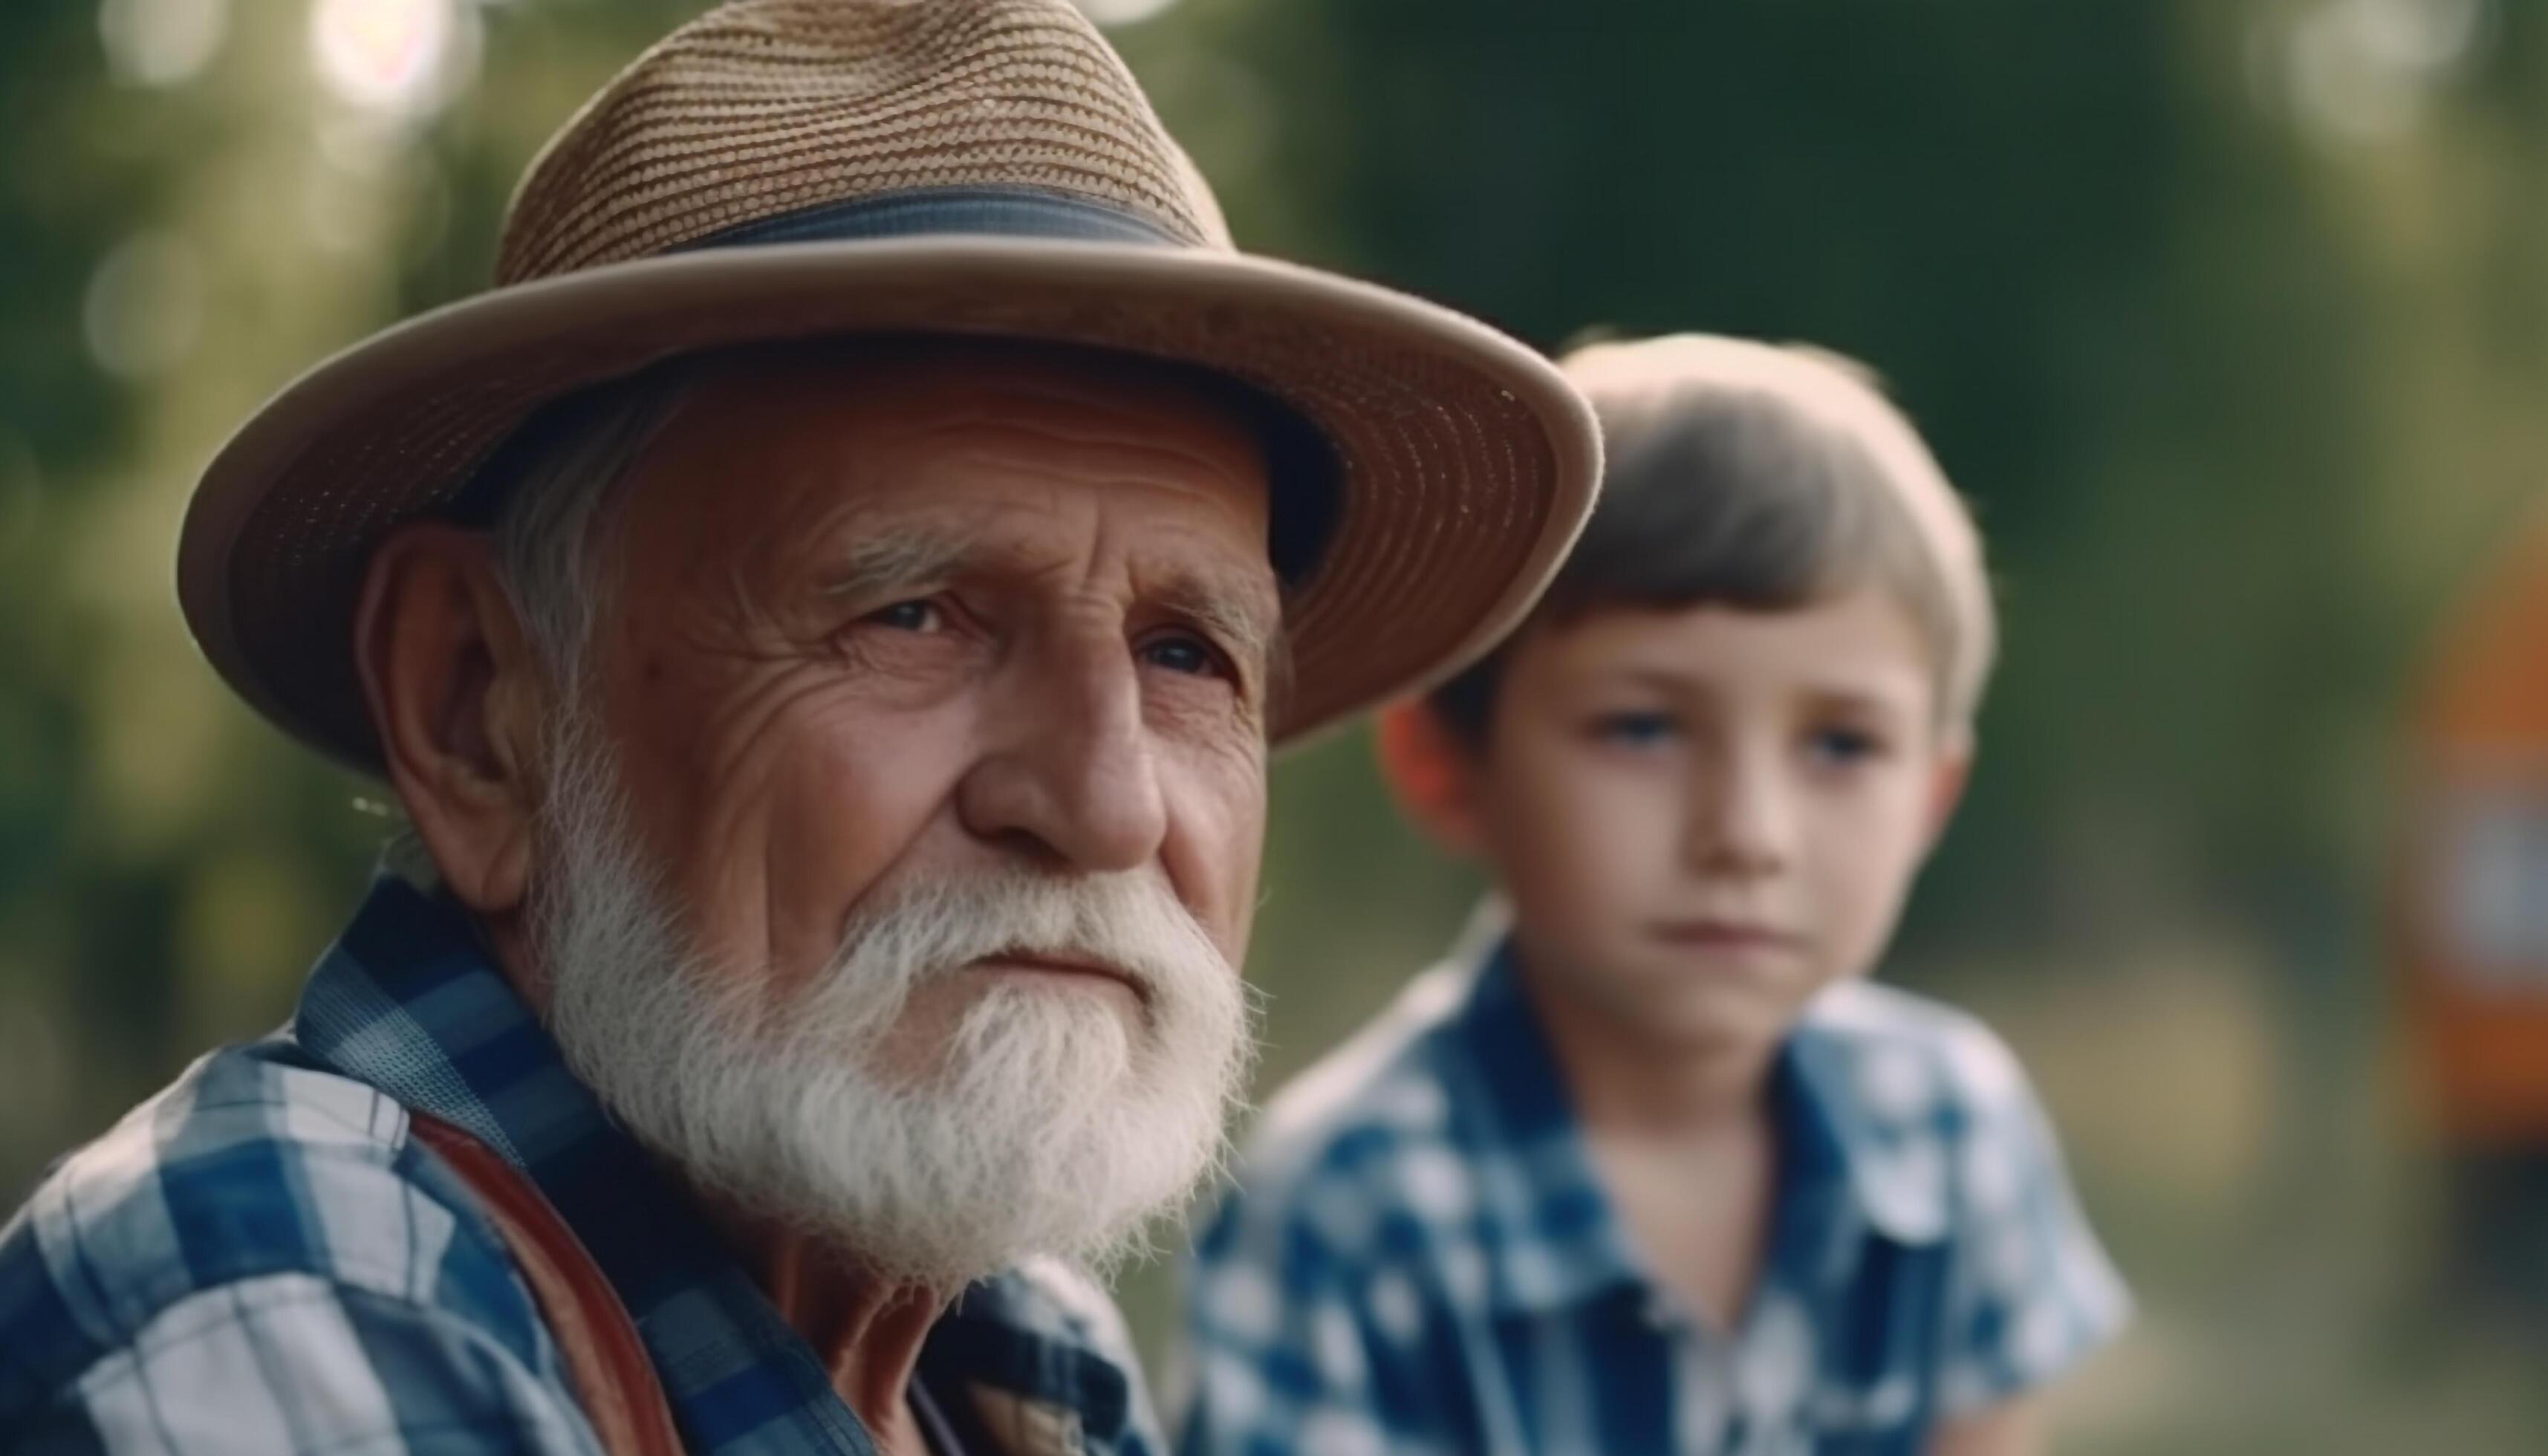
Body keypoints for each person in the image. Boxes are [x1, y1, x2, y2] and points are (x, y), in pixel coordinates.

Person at [0, 4, 1603, 1453]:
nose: (1107, 804)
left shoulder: (1019, 1366)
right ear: (476, 708)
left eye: (1188, 652)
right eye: (911, 614)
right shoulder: (276, 1280)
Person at [1180, 334, 2127, 1455]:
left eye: (1839, 745)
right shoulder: (1347, 1207)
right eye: (1643, 728)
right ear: (1446, 765)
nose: (1746, 835)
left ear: (1928, 798)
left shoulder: (1953, 1128)